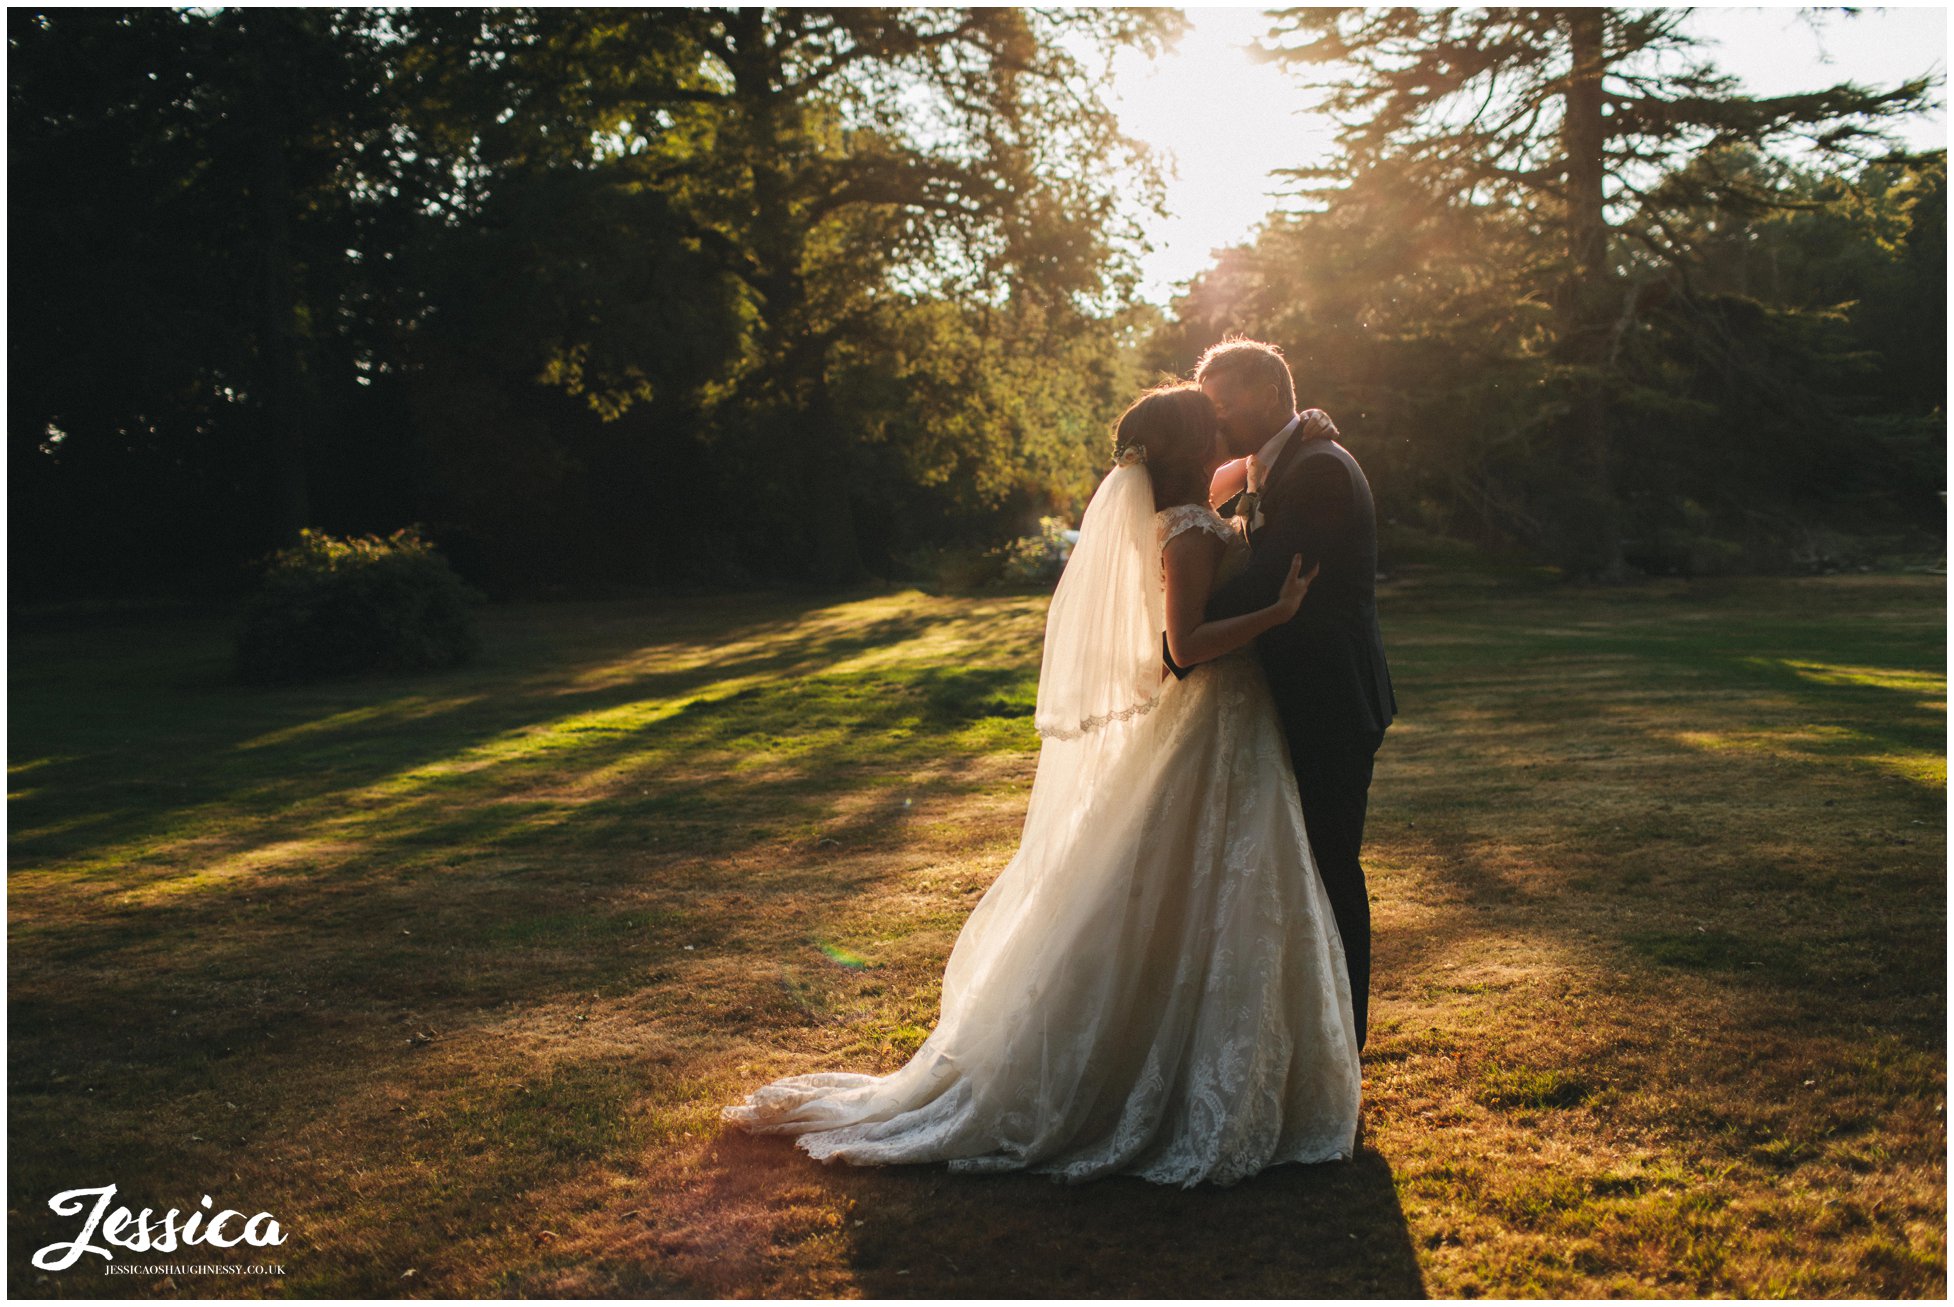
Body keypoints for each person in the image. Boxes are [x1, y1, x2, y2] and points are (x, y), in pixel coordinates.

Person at [720, 384, 1361, 1187]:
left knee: (1205, 883)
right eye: (1214, 424)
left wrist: (1300, 426)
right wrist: (1278, 612)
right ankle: (1155, 1071)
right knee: (1214, 881)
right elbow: (1187, 645)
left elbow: (1241, 471)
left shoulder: (1183, 508)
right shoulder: (1191, 531)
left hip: (1222, 722)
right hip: (1215, 716)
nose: (1225, 428)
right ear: (1193, 444)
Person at [1175, 337, 1396, 1051]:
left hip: (1327, 703)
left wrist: (1178, 632)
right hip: (1296, 699)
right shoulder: (1281, 463)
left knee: (1332, 869)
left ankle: (1345, 1051)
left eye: (1224, 401)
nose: (1217, 416)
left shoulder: (1319, 472)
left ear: (1270, 393)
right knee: (1300, 873)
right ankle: (1308, 1040)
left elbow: (1271, 581)